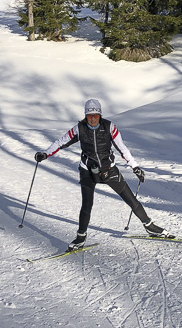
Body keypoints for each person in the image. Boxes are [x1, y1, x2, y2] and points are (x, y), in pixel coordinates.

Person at [34, 98, 166, 248]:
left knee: (130, 199)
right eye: (89, 116)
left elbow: (122, 148)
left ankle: (149, 226)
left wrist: (135, 167)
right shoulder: (79, 129)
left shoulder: (109, 127)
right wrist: (45, 154)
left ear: (100, 115)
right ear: (85, 116)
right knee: (87, 204)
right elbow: (60, 143)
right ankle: (80, 237)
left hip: (108, 169)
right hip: (87, 170)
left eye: (95, 115)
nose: (92, 119)